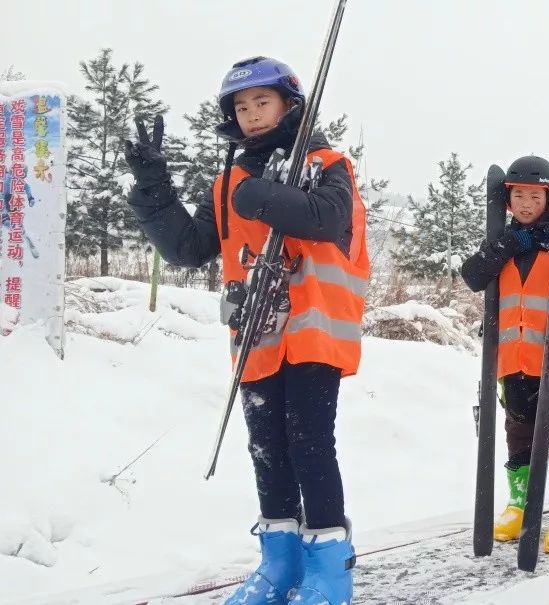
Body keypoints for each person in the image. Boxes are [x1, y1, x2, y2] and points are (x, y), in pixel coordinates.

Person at [123, 56, 368, 604]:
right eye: (241, 106)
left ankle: (329, 570)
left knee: (309, 443)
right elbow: (188, 249)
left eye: (263, 103)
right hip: (257, 333)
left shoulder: (327, 164)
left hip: (314, 331)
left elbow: (327, 220)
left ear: (289, 104)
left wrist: (263, 194)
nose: (252, 115)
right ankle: (279, 566)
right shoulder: (228, 180)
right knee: (267, 448)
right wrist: (154, 186)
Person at [460, 155, 549, 555]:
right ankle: (518, 504)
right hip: (511, 359)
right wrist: (505, 245)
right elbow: (472, 276)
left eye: (533, 196)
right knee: (517, 432)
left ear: (548, 199)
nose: (524, 203)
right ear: (507, 200)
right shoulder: (502, 241)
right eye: (517, 194)